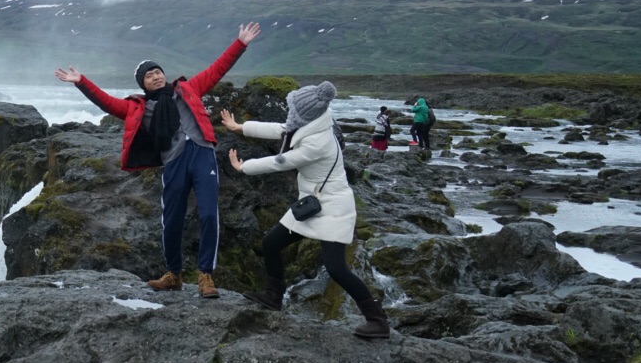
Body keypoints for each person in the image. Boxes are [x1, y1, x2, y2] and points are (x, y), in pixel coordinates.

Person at [55, 22, 262, 299]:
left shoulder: (188, 89)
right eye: (149, 75)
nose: (156, 76)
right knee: (171, 219)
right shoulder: (138, 108)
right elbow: (106, 102)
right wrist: (82, 82)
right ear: (142, 83)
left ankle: (205, 275)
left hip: (202, 154)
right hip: (174, 162)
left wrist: (240, 43)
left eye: (158, 71)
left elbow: (217, 69)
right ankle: (174, 274)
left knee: (210, 214)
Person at [221, 81, 390, 339]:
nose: (289, 114)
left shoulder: (317, 142)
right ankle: (273, 296)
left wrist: (244, 167)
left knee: (336, 269)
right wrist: (240, 127)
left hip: (332, 207)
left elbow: (282, 162)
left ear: (304, 114)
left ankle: (377, 320)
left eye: (293, 109)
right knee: (271, 244)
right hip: (312, 205)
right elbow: (280, 129)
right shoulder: (310, 124)